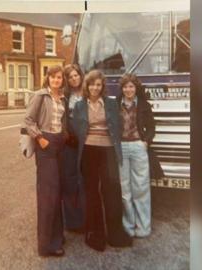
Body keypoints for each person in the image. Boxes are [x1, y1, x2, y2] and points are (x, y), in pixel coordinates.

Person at [72, 69, 132, 251]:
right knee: (92, 193)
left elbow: (119, 125)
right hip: (89, 151)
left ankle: (115, 234)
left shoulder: (111, 104)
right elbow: (76, 128)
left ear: (102, 86)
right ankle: (95, 233)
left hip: (108, 150)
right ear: (87, 85)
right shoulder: (79, 106)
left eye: (98, 84)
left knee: (112, 190)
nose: (95, 88)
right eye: (92, 84)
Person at [24, 65, 68, 257]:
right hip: (45, 144)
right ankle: (46, 245)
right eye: (53, 77)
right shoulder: (41, 96)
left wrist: (64, 136)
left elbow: (62, 122)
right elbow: (27, 120)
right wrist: (40, 139)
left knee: (57, 191)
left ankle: (57, 236)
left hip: (59, 144)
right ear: (48, 79)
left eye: (59, 78)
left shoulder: (63, 98)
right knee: (48, 194)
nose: (57, 80)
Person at [116, 73, 157, 237]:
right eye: (125, 86)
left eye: (131, 86)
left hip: (138, 146)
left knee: (141, 187)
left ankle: (143, 227)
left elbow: (152, 127)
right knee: (124, 188)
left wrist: (146, 141)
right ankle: (128, 226)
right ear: (122, 89)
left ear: (136, 88)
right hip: (121, 147)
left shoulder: (144, 105)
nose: (128, 90)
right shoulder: (116, 104)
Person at [61, 64, 85, 233]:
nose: (74, 79)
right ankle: (72, 221)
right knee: (70, 180)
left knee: (84, 180)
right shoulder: (65, 96)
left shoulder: (88, 92)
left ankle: (86, 218)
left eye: (76, 75)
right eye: (70, 77)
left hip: (87, 141)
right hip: (70, 142)